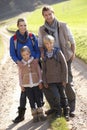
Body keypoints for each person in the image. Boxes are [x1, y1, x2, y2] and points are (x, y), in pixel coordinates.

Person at [38, 5, 76, 117]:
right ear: (43, 16)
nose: (48, 16)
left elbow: (72, 41)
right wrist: (42, 53)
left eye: (50, 14)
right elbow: (40, 44)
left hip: (65, 57)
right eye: (46, 15)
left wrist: (73, 54)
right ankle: (55, 107)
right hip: (50, 61)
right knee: (49, 85)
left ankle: (71, 107)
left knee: (68, 82)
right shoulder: (42, 29)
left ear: (53, 13)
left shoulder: (63, 25)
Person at [10, 18, 44, 123]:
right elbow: (12, 53)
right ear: (18, 26)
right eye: (21, 25)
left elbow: (37, 50)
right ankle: (21, 114)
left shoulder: (32, 36)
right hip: (23, 67)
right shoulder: (14, 39)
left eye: (25, 25)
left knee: (39, 86)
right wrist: (18, 62)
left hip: (34, 64)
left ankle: (41, 108)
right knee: (25, 90)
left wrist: (37, 58)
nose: (23, 27)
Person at [42, 35, 70, 121]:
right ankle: (58, 111)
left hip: (60, 80)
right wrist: (45, 81)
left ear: (53, 43)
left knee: (63, 95)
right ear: (45, 44)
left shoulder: (58, 52)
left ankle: (66, 111)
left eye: (50, 43)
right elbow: (44, 69)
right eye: (47, 44)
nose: (49, 45)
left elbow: (65, 66)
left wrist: (65, 79)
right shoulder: (44, 55)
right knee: (56, 96)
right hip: (50, 81)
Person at [18, 46, 46, 122]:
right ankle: (35, 115)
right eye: (23, 55)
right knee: (31, 100)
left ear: (29, 53)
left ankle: (41, 113)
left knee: (38, 98)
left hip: (36, 83)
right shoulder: (21, 64)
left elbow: (39, 71)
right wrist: (21, 85)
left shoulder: (34, 62)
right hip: (27, 85)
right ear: (21, 55)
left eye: (27, 54)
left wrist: (40, 81)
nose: (25, 56)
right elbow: (20, 75)